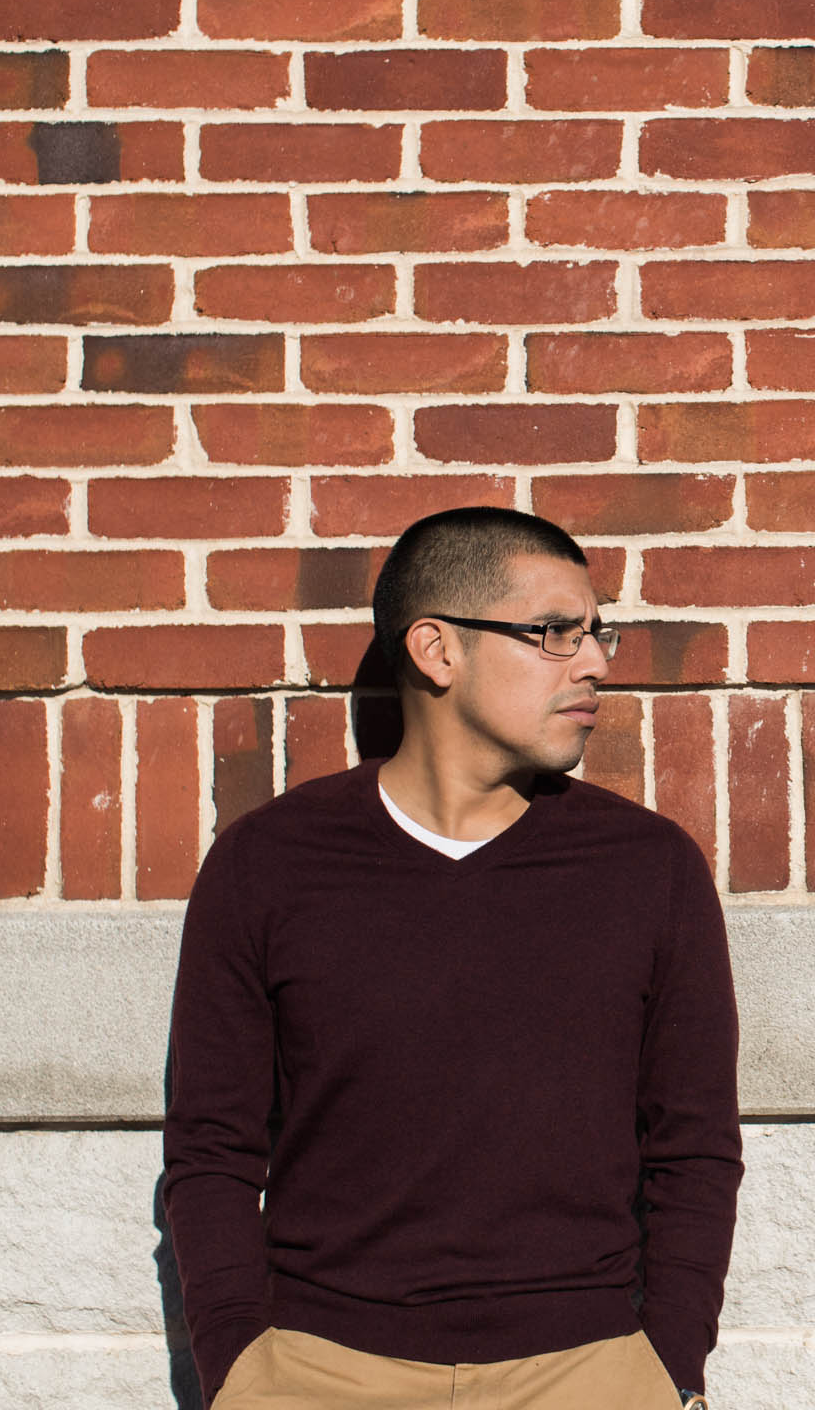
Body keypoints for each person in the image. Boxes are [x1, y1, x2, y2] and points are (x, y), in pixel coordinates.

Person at [163, 507, 741, 1410]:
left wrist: (664, 1368)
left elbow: (695, 1147)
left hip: (589, 1370)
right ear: (436, 650)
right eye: (553, 633)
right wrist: (241, 1370)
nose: (594, 662)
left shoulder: (648, 869)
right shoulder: (268, 864)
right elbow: (212, 1150)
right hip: (320, 1371)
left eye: (597, 634)